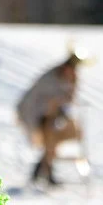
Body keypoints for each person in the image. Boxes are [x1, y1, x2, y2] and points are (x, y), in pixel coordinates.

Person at [17, 52, 82, 185]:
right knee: (50, 142)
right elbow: (40, 100)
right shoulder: (50, 79)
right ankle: (46, 174)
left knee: (57, 141)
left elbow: (68, 99)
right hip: (39, 114)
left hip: (52, 116)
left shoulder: (67, 79)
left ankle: (40, 171)